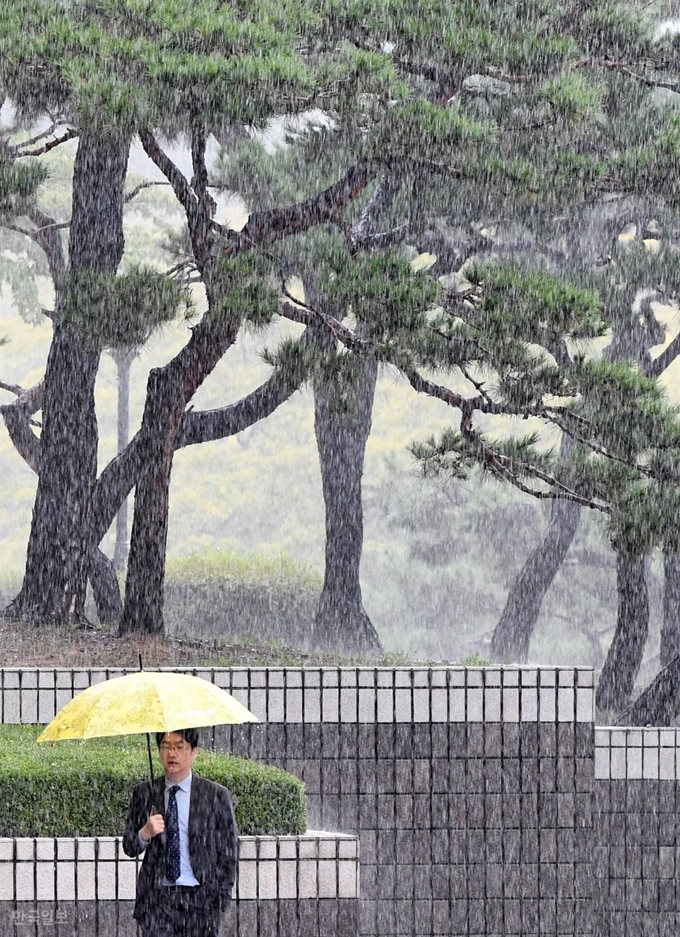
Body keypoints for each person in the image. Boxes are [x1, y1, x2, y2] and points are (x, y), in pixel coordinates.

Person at [123, 728, 238, 937]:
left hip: (201, 901)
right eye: (166, 746)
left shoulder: (215, 795)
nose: (171, 753)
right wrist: (145, 832)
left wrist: (219, 899)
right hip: (157, 902)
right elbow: (129, 846)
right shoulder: (145, 792)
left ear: (194, 752)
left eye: (179, 747)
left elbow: (229, 852)